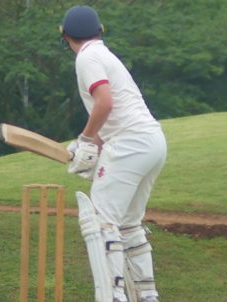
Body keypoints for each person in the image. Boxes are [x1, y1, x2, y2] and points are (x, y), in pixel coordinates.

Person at [60, 6, 167, 302]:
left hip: (130, 143)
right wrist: (95, 146)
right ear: (99, 30)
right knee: (130, 223)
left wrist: (85, 140)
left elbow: (104, 103)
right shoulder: (104, 54)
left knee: (100, 220)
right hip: (151, 141)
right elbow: (114, 110)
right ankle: (147, 295)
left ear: (65, 36)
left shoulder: (87, 57)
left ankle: (114, 295)